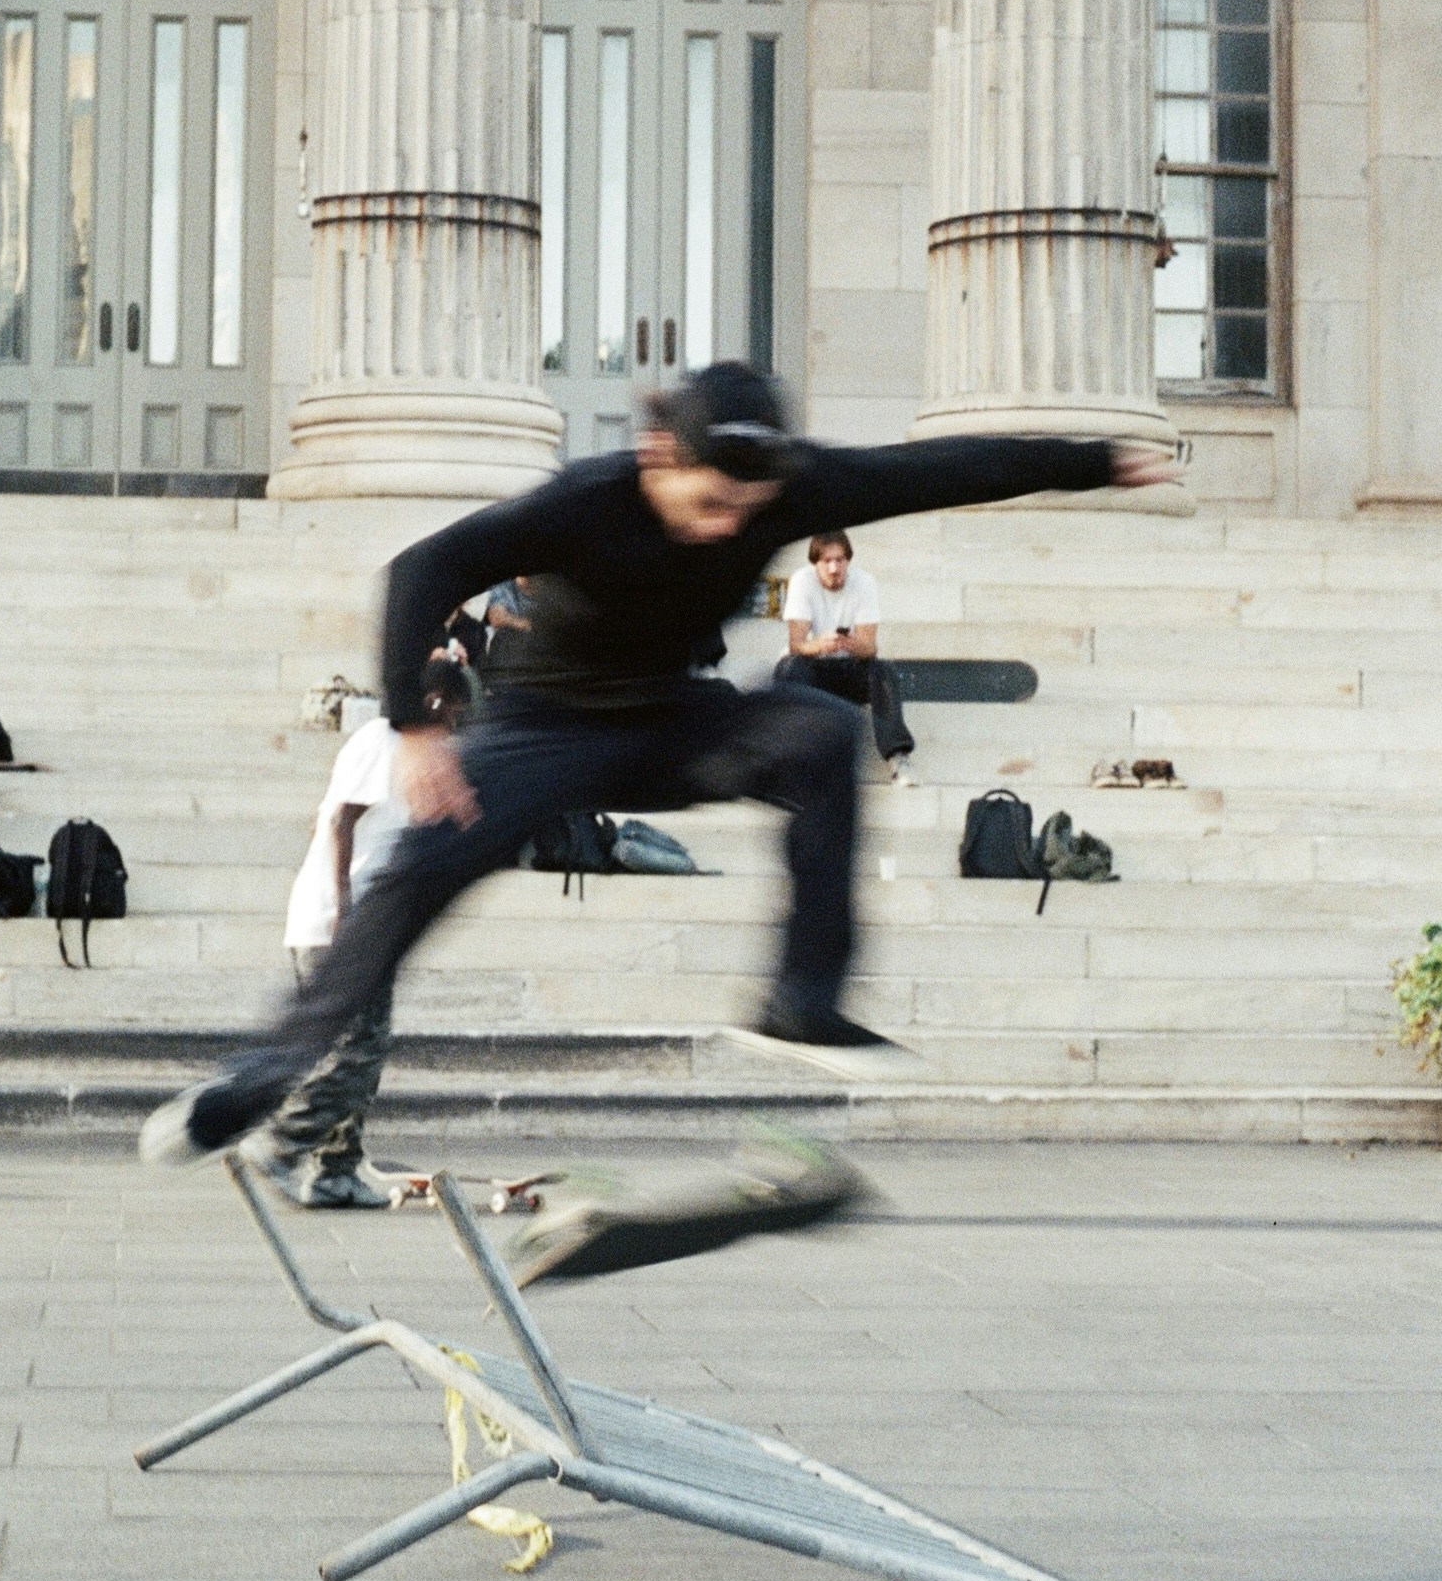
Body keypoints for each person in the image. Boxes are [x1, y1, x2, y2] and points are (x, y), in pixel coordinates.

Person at [142, 361, 1173, 1274]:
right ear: (652, 454)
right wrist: (415, 728)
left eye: (747, 510)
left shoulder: (792, 485)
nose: (728, 527)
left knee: (816, 736)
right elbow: (423, 570)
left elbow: (948, 469)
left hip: (674, 724)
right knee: (416, 868)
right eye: (708, 502)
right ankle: (262, 1077)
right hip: (543, 730)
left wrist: (1094, 459)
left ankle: (798, 1000)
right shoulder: (584, 498)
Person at [245, 657, 475, 1210]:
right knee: (358, 1053)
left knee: (360, 1048)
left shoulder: (397, 748)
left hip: (365, 919)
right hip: (338, 921)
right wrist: (344, 909)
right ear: (435, 703)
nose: (455, 733)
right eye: (456, 719)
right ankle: (281, 1144)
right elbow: (341, 819)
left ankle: (335, 1171)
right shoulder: (383, 738)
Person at [774, 530, 911, 763]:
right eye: (826, 561)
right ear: (815, 564)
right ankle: (791, 752)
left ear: (848, 561)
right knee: (789, 667)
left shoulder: (864, 582)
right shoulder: (801, 580)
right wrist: (818, 645)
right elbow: (796, 644)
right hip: (814, 670)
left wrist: (851, 645)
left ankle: (897, 754)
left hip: (849, 670)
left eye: (840, 560)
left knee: (883, 670)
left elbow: (870, 649)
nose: (834, 569)